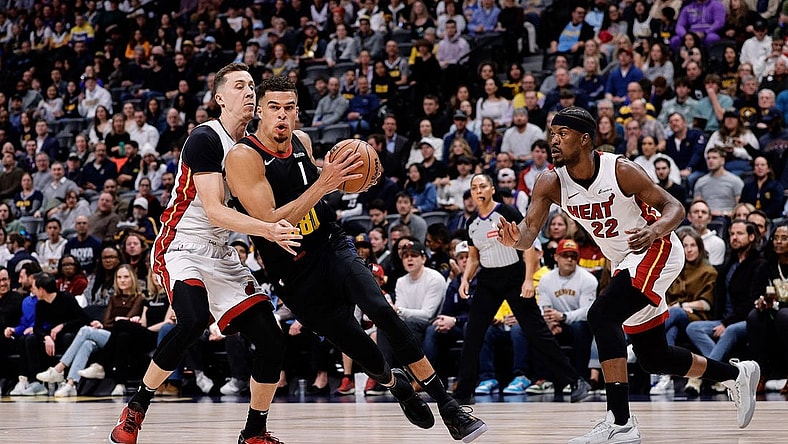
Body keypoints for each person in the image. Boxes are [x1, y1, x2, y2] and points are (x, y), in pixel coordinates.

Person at [224, 75, 487, 443]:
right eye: (273, 108)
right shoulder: (243, 156)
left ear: (298, 112)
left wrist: (352, 177)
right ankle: (397, 385)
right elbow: (272, 220)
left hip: (331, 245)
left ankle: (449, 406)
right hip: (294, 274)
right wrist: (324, 183)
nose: (282, 116)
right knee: (361, 349)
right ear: (259, 113)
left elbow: (320, 187)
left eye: (288, 108)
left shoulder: (301, 141)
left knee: (381, 310)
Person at [497, 107, 760, 442]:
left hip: (656, 248)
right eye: (553, 133)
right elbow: (529, 231)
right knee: (653, 357)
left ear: (585, 139)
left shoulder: (620, 170)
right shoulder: (550, 181)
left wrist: (653, 232)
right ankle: (736, 374)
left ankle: (620, 421)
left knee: (601, 315)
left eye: (563, 134)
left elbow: (675, 208)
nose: (555, 141)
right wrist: (513, 239)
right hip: (623, 261)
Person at [108, 63, 303, 444]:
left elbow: (266, 206)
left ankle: (254, 431)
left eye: (252, 86)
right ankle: (136, 407)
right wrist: (267, 229)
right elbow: (214, 209)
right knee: (194, 320)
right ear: (219, 98)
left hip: (223, 250)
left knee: (272, 338)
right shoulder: (205, 138)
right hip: (182, 243)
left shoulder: (256, 146)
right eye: (240, 86)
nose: (249, 92)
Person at [453, 173, 589, 405]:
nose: (478, 191)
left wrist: (528, 280)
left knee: (536, 332)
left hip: (515, 276)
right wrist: (466, 279)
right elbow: (474, 259)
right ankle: (464, 392)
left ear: (492, 189)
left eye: (483, 186)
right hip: (488, 280)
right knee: (473, 333)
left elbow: (529, 248)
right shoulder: (471, 224)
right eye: (474, 187)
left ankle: (575, 380)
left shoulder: (508, 213)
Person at [35, 264, 144, 397]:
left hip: (124, 338)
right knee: (86, 344)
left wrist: (112, 322)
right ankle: (71, 384)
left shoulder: (139, 298)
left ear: (133, 278)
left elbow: (123, 323)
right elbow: (108, 321)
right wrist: (103, 324)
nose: (122, 280)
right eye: (119, 277)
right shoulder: (114, 298)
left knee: (86, 330)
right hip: (109, 334)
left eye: (126, 277)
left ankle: (59, 369)